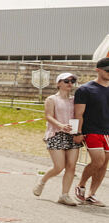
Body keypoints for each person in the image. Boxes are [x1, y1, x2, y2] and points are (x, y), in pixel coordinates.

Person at [36, 72, 81, 205]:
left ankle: (65, 195)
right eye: (66, 81)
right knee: (59, 166)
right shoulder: (52, 99)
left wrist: (78, 131)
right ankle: (42, 181)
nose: (70, 84)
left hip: (72, 134)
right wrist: (61, 125)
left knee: (71, 166)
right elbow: (48, 116)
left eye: (72, 81)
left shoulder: (74, 100)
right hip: (56, 134)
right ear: (58, 83)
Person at [73, 57, 109, 206]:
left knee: (104, 164)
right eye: (107, 70)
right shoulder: (85, 89)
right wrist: (77, 132)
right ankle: (81, 185)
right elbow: (78, 114)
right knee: (98, 161)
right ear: (98, 70)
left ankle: (91, 194)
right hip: (91, 130)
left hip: (107, 131)